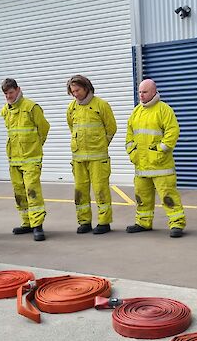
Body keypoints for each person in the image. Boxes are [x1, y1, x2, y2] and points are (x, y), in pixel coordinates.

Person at [125, 79, 186, 238]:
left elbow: (172, 132)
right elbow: (129, 136)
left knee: (168, 196)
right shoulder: (136, 112)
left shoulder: (164, 110)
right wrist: (133, 153)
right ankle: (143, 222)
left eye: (144, 92)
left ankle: (177, 224)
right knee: (141, 197)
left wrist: (160, 150)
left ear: (153, 92)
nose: (141, 95)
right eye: (139, 92)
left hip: (161, 166)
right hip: (141, 166)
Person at [66, 75, 117, 234]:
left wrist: (101, 144)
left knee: (101, 190)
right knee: (80, 191)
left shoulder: (101, 105)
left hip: (98, 158)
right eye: (72, 91)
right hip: (78, 158)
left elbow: (111, 128)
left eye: (78, 90)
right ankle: (84, 222)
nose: (75, 94)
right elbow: (72, 127)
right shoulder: (72, 108)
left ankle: (104, 222)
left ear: (86, 87)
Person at [1, 78, 50, 241]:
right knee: (19, 193)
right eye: (6, 93)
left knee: (32, 191)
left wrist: (36, 146)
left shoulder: (31, 107)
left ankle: (38, 225)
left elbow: (44, 128)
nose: (9, 96)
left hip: (30, 159)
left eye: (11, 92)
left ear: (18, 90)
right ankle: (26, 223)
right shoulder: (5, 111)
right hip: (14, 160)